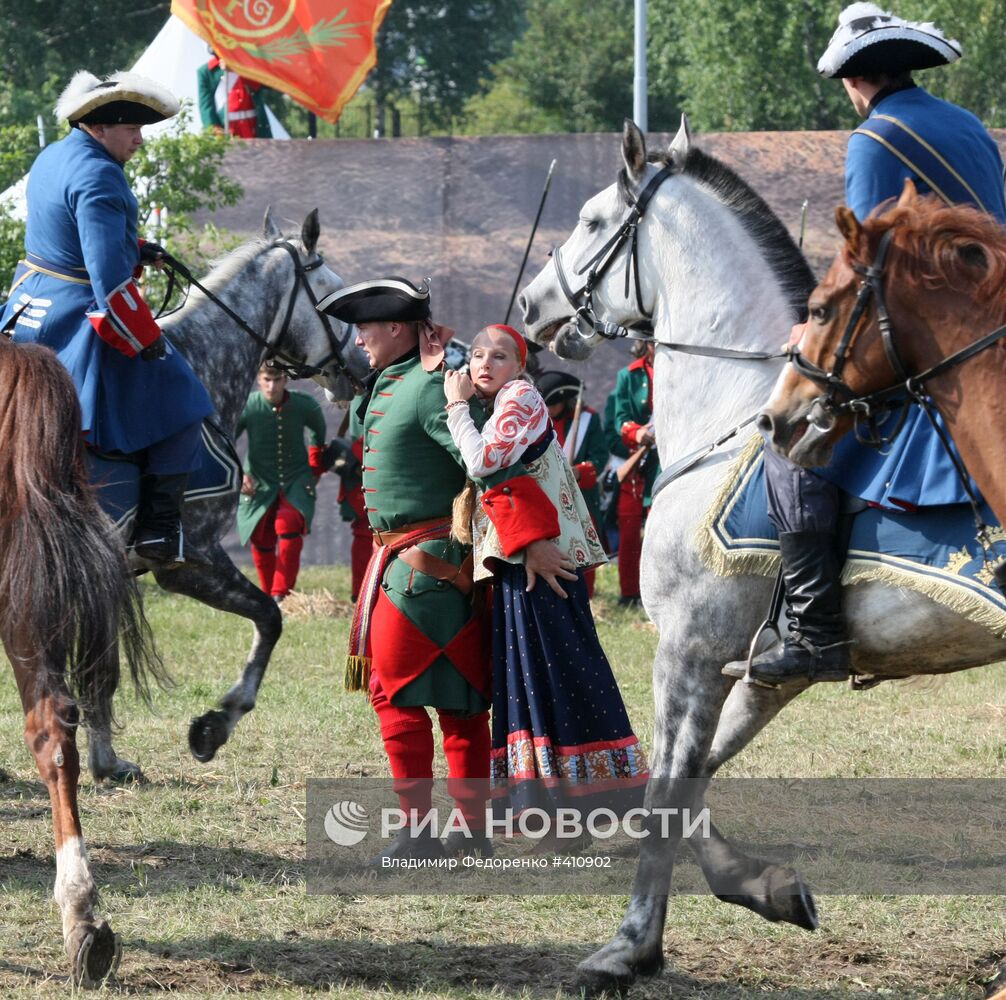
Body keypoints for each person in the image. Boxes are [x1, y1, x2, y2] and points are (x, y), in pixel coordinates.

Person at [724, 3, 1006, 686]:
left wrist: (816, 324)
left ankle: (817, 633)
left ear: (854, 80)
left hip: (923, 335)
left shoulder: (874, 138)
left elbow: (868, 258)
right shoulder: (968, 125)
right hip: (992, 314)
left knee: (793, 449)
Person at [317, 279, 563, 861]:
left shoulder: (430, 390)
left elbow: (491, 470)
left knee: (399, 694)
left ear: (396, 329)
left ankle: (424, 832)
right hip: (400, 564)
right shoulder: (389, 384)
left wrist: (530, 541)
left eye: (365, 328)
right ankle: (469, 832)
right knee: (456, 699)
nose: (358, 338)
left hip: (426, 568)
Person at [1, 70, 214, 564]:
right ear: (100, 127)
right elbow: (110, 286)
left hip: (29, 303)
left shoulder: (53, 155)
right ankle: (160, 531)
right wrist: (147, 341)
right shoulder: (101, 173)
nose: (140, 140)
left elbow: (67, 233)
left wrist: (136, 246)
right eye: (132, 129)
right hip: (73, 317)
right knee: (185, 398)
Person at [444, 324, 648, 826]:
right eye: (476, 355)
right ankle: (552, 810)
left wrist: (454, 406)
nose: (484, 364)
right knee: (534, 681)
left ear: (521, 367)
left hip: (545, 567)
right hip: (520, 565)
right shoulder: (499, 405)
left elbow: (483, 459)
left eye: (500, 356)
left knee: (555, 680)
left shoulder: (521, 398)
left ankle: (583, 807)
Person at [236, 363, 329, 601]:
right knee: (261, 534)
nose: (272, 385)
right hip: (259, 481)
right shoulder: (249, 407)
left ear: (286, 380)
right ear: (258, 379)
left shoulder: (303, 404)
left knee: (288, 525)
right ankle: (268, 595)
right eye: (267, 379)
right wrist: (239, 474)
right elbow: (226, 437)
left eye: (277, 380)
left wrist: (314, 469)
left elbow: (319, 433)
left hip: (295, 479)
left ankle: (281, 594)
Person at [535, 370, 610, 597]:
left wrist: (579, 471)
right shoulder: (539, 420)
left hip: (581, 497)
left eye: (553, 405)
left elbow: (600, 456)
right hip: (547, 496)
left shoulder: (588, 419)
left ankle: (585, 595)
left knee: (583, 548)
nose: (548, 410)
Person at [610, 341, 661, 605]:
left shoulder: (676, 369)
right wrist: (636, 432)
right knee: (629, 532)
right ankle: (629, 594)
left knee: (658, 531)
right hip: (637, 462)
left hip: (665, 461)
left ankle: (659, 593)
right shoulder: (628, 375)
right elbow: (620, 418)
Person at [197, 51, 273, 139]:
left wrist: (237, 69)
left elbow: (268, 83)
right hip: (227, 131)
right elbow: (206, 109)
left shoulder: (249, 64)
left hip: (255, 129)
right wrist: (216, 133)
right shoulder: (206, 72)